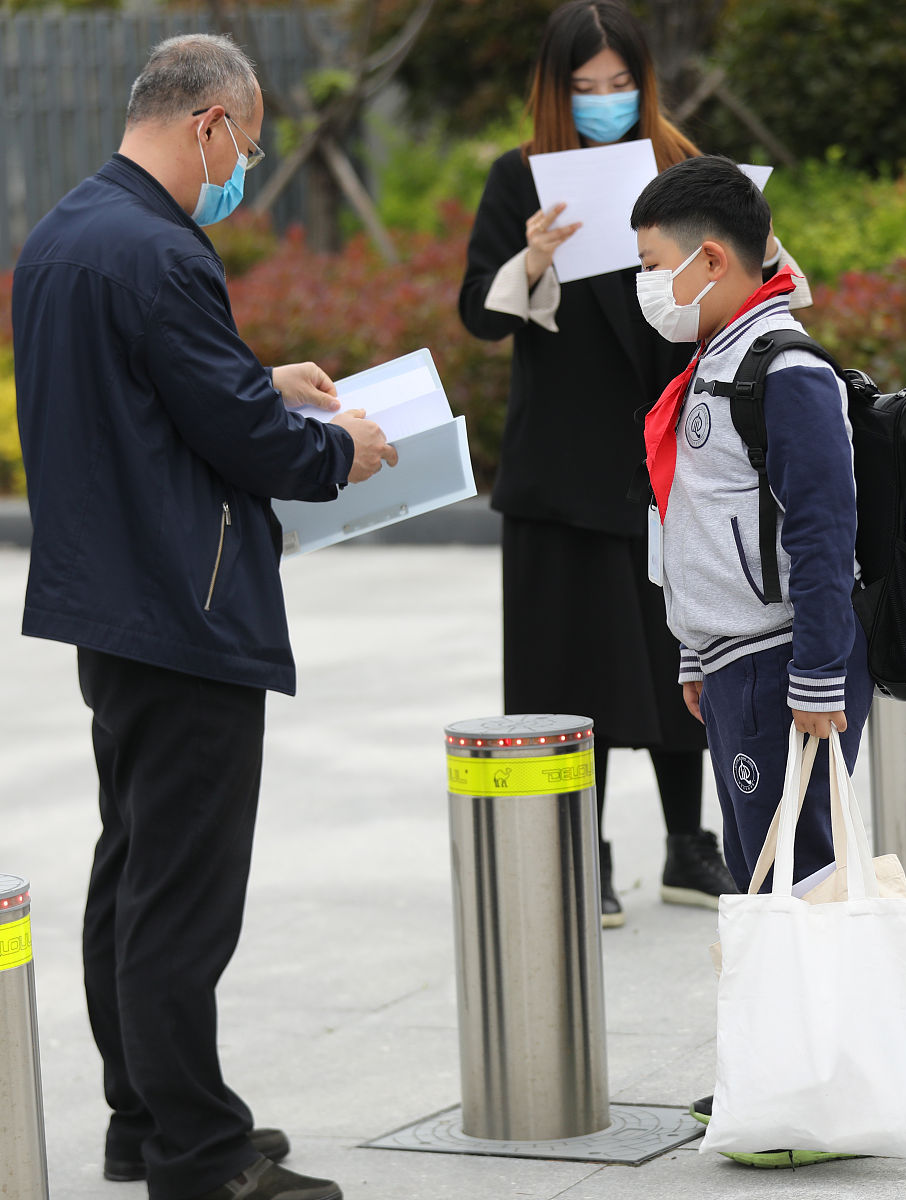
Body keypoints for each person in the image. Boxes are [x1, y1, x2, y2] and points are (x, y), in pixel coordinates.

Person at [13, 34, 397, 1200]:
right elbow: (242, 441)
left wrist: (256, 380)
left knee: (134, 864)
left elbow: (148, 397)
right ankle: (198, 1154)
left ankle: (142, 1120)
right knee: (182, 892)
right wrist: (338, 449)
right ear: (209, 126)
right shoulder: (164, 251)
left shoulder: (65, 234)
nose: (244, 169)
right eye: (249, 145)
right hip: (187, 602)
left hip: (112, 604)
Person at [459, 0, 809, 926]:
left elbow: (755, 278)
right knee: (569, 665)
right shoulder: (521, 177)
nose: (605, 100)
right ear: (556, 88)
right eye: (586, 86)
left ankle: (690, 844)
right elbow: (478, 312)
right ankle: (588, 850)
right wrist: (533, 259)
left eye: (621, 83)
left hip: (672, 451)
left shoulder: (683, 166)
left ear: (644, 82)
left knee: (678, 651)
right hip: (562, 465)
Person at [630, 154, 874, 1163]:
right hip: (735, 661)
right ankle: (771, 1076)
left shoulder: (785, 370)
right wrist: (694, 653)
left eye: (653, 265)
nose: (645, 285)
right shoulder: (714, 362)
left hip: (783, 665)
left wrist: (816, 674)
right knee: (758, 878)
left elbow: (821, 532)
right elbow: (696, 521)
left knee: (797, 878)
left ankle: (808, 1100)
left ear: (712, 261)